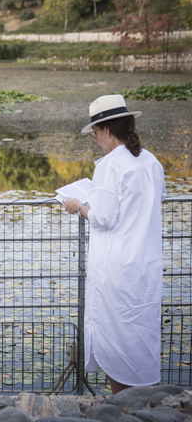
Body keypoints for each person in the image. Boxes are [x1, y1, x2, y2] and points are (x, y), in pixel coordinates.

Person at [63, 94, 166, 395]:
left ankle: (122, 403)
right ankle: (143, 400)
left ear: (106, 131)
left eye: (95, 133)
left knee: (117, 332)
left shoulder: (109, 166)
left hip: (117, 266)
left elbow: (104, 217)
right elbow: (151, 201)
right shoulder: (151, 161)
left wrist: (78, 205)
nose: (95, 139)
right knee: (140, 331)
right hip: (145, 264)